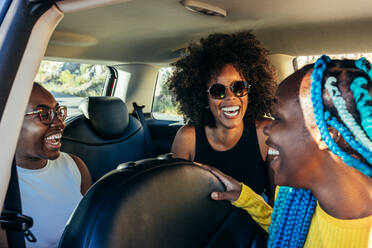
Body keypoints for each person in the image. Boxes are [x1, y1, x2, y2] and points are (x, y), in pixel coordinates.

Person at [199, 56, 372, 247]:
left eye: (278, 118)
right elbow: (285, 231)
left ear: (327, 135)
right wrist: (245, 197)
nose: (267, 128)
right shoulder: (303, 199)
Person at [168, 30, 276, 199]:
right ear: (203, 98)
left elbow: (277, 202)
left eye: (238, 87)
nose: (230, 97)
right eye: (218, 91)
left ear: (250, 92)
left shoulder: (265, 133)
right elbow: (177, 199)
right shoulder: (187, 138)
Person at [14, 83, 92, 248]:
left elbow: (92, 230)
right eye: (43, 114)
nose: (60, 123)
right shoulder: (5, 184)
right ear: (10, 121)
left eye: (58, 112)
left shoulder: (75, 166)